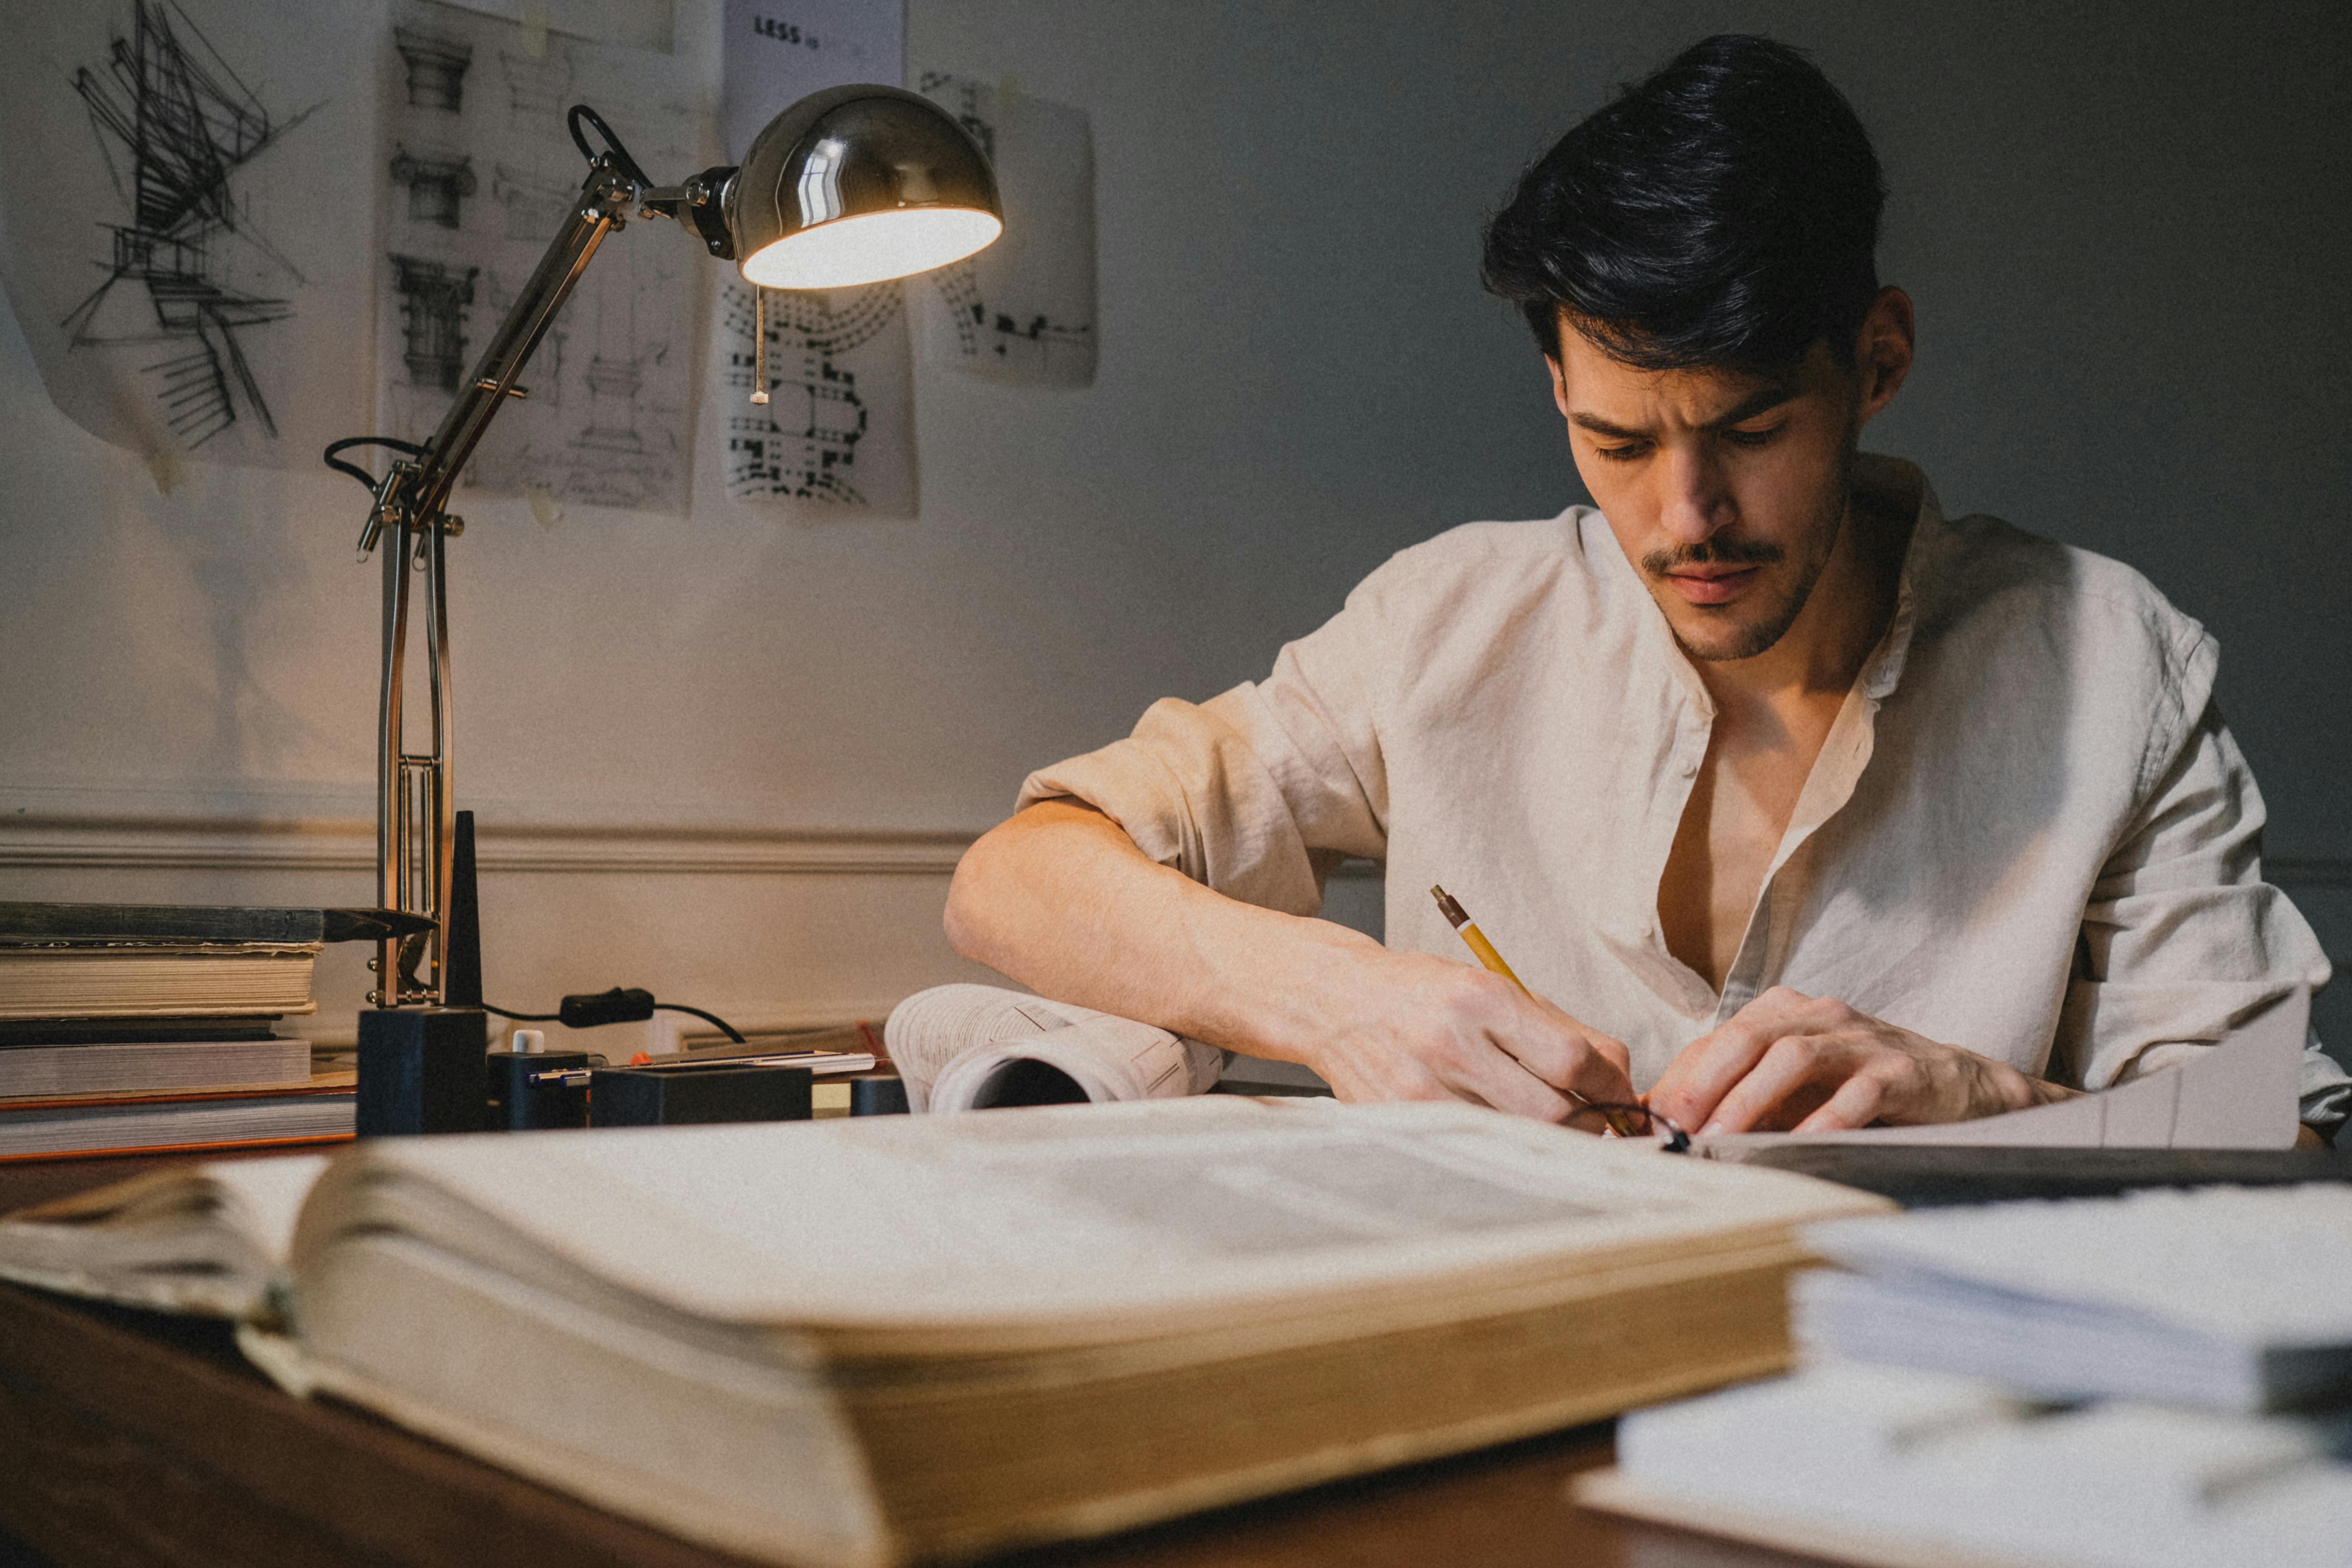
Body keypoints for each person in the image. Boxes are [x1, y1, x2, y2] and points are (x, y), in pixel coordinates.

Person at [943, 34, 2349, 1142]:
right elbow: (1013, 880)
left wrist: (1979, 1099)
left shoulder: (2111, 664)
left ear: (1877, 360)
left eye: (1752, 430)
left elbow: (2285, 1148)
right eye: (1617, 443)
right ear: (1558, 392)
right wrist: (1337, 996)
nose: (1687, 520)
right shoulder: (1445, 626)